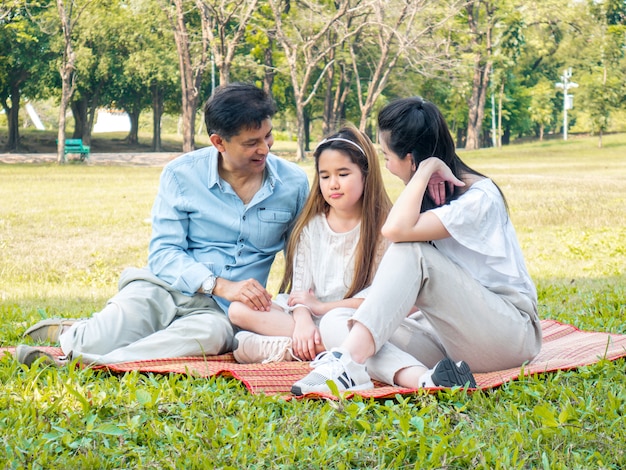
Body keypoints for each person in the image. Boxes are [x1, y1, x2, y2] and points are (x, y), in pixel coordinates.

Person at [16, 82, 309, 367]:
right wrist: (220, 285)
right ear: (219, 142)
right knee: (91, 341)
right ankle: (75, 334)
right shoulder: (180, 175)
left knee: (209, 337)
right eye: (251, 143)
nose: (265, 149)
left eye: (267, 137)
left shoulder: (293, 183)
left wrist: (303, 310)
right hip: (162, 289)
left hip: (221, 314)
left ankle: (91, 364)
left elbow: (305, 255)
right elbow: (164, 252)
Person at [291, 96, 542, 395]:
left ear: (409, 159)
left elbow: (395, 231)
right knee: (337, 322)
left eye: (386, 156)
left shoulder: (480, 197)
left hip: (508, 333)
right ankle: (427, 380)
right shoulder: (423, 201)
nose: (386, 165)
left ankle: (344, 361)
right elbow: (398, 277)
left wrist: (426, 169)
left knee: (411, 249)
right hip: (451, 336)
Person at [228, 125, 392, 364]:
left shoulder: (383, 228)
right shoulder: (311, 227)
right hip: (310, 318)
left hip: (355, 320)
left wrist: (323, 308)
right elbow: (300, 293)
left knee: (245, 346)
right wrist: (304, 321)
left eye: (343, 174)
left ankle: (302, 349)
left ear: (366, 174)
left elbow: (381, 299)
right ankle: (320, 346)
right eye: (325, 176)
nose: (333, 184)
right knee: (237, 310)